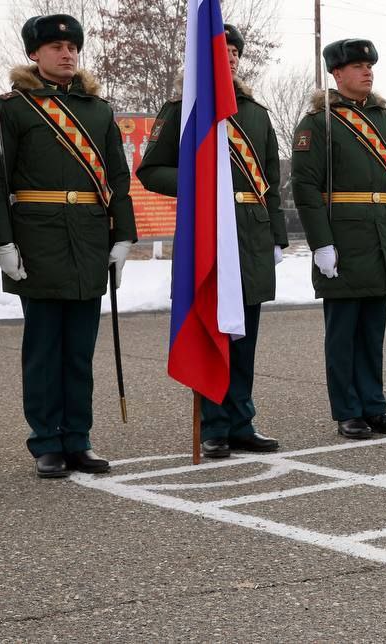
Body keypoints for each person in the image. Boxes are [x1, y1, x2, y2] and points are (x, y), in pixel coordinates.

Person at [0, 14, 136, 478]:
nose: (66, 54)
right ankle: (46, 441)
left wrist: (122, 235)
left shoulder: (98, 109)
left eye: (72, 47)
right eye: (54, 47)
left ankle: (78, 438)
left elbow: (116, 178)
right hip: (38, 238)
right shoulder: (12, 108)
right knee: (45, 348)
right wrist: (2, 242)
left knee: (79, 350)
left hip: (88, 235)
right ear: (34, 54)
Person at [137, 24, 286, 458]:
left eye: (236, 51)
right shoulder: (184, 109)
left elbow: (271, 184)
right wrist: (202, 182)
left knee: (245, 334)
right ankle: (214, 425)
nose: (233, 57)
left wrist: (276, 235)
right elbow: (151, 171)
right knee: (213, 328)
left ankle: (242, 420)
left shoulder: (255, 113)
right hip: (209, 231)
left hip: (251, 232)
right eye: (224, 50)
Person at [289, 39, 386, 439]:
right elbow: (306, 188)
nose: (367, 72)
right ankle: (347, 409)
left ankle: (374, 406)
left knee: (371, 329)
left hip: (381, 230)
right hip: (344, 235)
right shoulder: (319, 122)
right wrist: (321, 244)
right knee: (344, 330)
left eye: (369, 65)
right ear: (337, 73)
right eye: (358, 66)